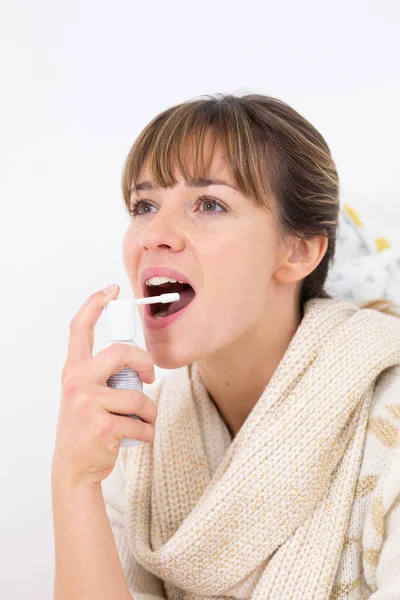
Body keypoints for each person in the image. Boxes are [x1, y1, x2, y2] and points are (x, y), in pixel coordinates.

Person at [51, 93, 400, 600]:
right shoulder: (130, 445)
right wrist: (74, 481)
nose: (155, 234)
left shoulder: (389, 428)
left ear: (299, 250)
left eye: (209, 204)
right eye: (144, 205)